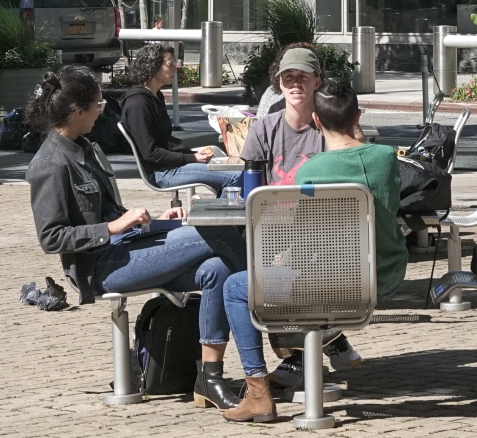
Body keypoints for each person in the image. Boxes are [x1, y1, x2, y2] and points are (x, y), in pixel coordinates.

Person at [25, 66, 244, 410]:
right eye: (98, 104)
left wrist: (154, 221)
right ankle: (277, 317)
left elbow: (112, 212)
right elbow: (51, 238)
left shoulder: (86, 147)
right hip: (101, 267)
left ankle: (209, 378)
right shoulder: (50, 164)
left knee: (216, 268)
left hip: (126, 248)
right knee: (218, 231)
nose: (102, 110)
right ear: (77, 111)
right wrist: (113, 228)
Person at [220, 78, 407, 423]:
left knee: (234, 287)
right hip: (383, 277)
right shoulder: (386, 159)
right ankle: (322, 347)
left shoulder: (310, 171)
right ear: (358, 116)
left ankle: (258, 392)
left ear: (317, 122)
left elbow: (292, 233)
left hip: (324, 283)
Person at [120, 42, 242, 196]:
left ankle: (221, 210)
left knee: (232, 168)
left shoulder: (155, 96)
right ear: (153, 67)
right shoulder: (138, 103)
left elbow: (164, 141)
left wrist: (191, 154)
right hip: (162, 172)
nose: (175, 69)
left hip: (171, 165)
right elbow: (150, 153)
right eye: (170, 65)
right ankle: (223, 217)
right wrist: (192, 158)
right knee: (236, 178)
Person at [241, 43, 325, 185]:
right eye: (289, 76)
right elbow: (252, 188)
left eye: (303, 76)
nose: (295, 83)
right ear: (280, 83)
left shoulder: (330, 128)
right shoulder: (261, 129)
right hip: (271, 206)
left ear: (317, 83)